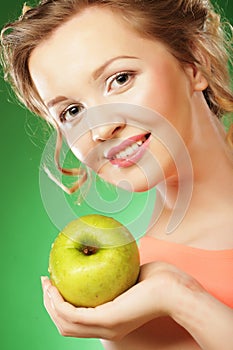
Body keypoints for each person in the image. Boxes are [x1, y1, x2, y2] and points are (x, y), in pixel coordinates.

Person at [1, 0, 233, 349]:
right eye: (72, 111)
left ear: (194, 62)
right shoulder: (133, 298)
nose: (102, 129)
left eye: (119, 79)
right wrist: (180, 297)